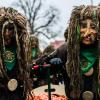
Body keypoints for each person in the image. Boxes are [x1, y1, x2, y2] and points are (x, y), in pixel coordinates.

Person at [36, 5, 100, 100]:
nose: (87, 32)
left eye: (93, 27)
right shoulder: (65, 50)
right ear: (76, 28)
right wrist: (52, 65)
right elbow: (38, 70)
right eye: (83, 26)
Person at [0, 7, 32, 100]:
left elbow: (29, 68)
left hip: (17, 94)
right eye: (4, 29)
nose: (7, 33)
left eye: (10, 29)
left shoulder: (21, 51)